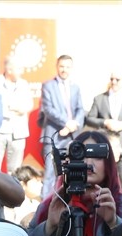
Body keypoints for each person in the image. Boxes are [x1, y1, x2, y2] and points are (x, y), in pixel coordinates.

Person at [86, 71, 122, 196]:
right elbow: (89, 118)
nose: (114, 82)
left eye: (117, 79)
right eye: (112, 79)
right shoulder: (100, 98)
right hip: (104, 148)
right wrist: (105, 122)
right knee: (103, 180)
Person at [39, 55, 85, 196]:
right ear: (57, 67)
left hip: (72, 136)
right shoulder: (48, 85)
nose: (64, 70)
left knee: (72, 173)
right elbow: (48, 109)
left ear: (72, 68)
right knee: (50, 174)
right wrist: (66, 123)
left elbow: (80, 109)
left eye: (67, 67)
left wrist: (74, 124)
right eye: (61, 66)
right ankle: (45, 208)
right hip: (55, 136)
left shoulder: (75, 87)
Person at [0, 57, 32, 176]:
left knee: (15, 170)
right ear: (9, 70)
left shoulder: (24, 84)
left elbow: (28, 105)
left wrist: (17, 107)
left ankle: (13, 194)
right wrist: (13, 107)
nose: (22, 71)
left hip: (18, 133)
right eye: (19, 68)